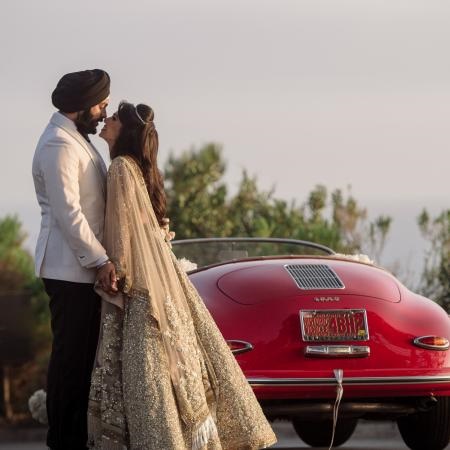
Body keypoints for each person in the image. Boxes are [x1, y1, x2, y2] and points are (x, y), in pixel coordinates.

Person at [87, 101, 277, 449]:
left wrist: (116, 271)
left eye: (113, 118)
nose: (106, 121)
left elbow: (122, 231)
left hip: (143, 286)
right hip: (165, 281)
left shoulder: (119, 168)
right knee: (173, 366)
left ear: (125, 130)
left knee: (150, 375)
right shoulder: (136, 169)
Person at [32, 69, 117, 450]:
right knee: (70, 362)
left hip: (80, 270)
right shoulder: (58, 145)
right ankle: (63, 441)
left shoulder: (75, 139)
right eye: (101, 105)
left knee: (82, 363)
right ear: (83, 105)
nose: (104, 113)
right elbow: (70, 215)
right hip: (69, 270)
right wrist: (100, 261)